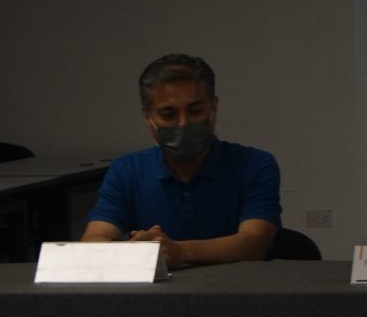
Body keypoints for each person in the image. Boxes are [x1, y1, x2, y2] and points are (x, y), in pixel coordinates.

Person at [82, 53, 281, 266]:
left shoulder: (255, 165)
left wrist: (180, 252)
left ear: (214, 108)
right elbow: (92, 242)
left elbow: (254, 243)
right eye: (168, 115)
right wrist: (135, 250)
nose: (183, 123)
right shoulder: (126, 171)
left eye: (195, 111)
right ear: (148, 117)